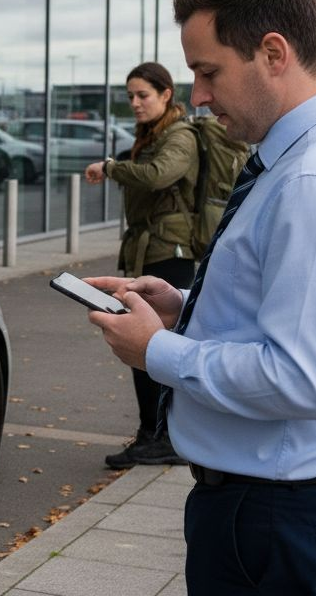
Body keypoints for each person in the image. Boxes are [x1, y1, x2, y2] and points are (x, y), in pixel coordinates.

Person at [85, 0, 316, 595]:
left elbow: (302, 379)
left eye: (209, 72)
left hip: (281, 513)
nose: (199, 95)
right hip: (283, 504)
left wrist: (157, 350)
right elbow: (286, 305)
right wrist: (183, 303)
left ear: (272, 52)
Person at [83, 62, 196, 469]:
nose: (134, 102)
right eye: (130, 95)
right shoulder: (156, 134)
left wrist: (111, 167)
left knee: (151, 343)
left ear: (166, 94)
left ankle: (160, 436)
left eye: (142, 94)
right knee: (146, 344)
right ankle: (157, 433)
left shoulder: (180, 135)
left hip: (170, 252)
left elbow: (160, 175)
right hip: (151, 249)